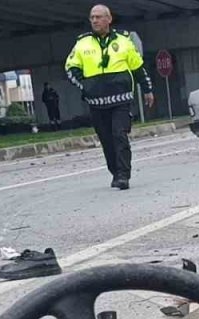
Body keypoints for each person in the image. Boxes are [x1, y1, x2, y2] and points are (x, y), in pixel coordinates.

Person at [65, 4, 155, 190]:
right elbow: (70, 68)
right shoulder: (82, 43)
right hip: (96, 102)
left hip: (121, 99)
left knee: (119, 135)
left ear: (109, 19)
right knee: (106, 140)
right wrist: (86, 86)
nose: (95, 20)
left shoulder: (124, 41)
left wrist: (147, 89)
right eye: (92, 17)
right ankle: (115, 171)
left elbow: (138, 67)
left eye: (98, 17)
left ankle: (123, 175)